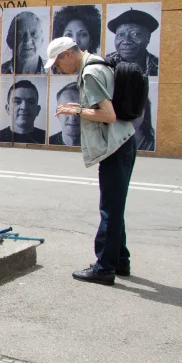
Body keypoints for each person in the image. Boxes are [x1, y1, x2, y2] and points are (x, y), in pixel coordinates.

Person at [45, 36, 138, 285]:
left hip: (115, 147)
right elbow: (101, 105)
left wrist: (76, 110)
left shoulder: (90, 73)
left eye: (58, 64)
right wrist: (79, 105)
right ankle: (120, 260)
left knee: (109, 208)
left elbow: (107, 115)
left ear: (67, 54)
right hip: (124, 141)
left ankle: (104, 268)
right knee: (115, 205)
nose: (59, 69)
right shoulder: (98, 64)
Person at [106, 9, 160, 75]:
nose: (126, 41)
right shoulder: (105, 63)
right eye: (121, 35)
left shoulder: (159, 66)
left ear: (148, 37)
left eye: (135, 34)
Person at [0, 80, 46, 144]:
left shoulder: (48, 138)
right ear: (8, 109)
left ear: (38, 110)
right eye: (17, 101)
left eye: (31, 102)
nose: (24, 107)